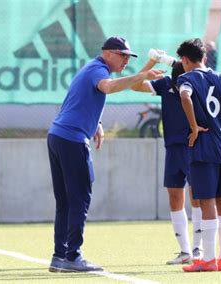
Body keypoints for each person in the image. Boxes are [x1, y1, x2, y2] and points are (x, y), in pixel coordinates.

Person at [47, 36, 164, 272]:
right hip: (72, 139)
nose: (125, 61)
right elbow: (107, 88)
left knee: (66, 202)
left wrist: (97, 122)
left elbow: (79, 99)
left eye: (128, 58)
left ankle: (60, 256)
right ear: (108, 53)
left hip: (57, 136)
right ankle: (72, 256)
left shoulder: (91, 68)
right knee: (79, 198)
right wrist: (141, 76)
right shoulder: (98, 70)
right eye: (122, 56)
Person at [176, 38, 221, 272]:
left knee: (206, 202)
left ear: (186, 61)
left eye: (183, 62)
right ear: (205, 58)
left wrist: (195, 126)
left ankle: (208, 259)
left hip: (203, 145)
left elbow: (185, 96)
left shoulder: (185, 78)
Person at [131, 55, 203, 264]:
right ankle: (185, 251)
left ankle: (199, 248)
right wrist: (151, 62)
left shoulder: (198, 84)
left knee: (198, 197)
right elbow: (135, 86)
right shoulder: (166, 84)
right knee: (174, 195)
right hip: (172, 148)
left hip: (194, 146)